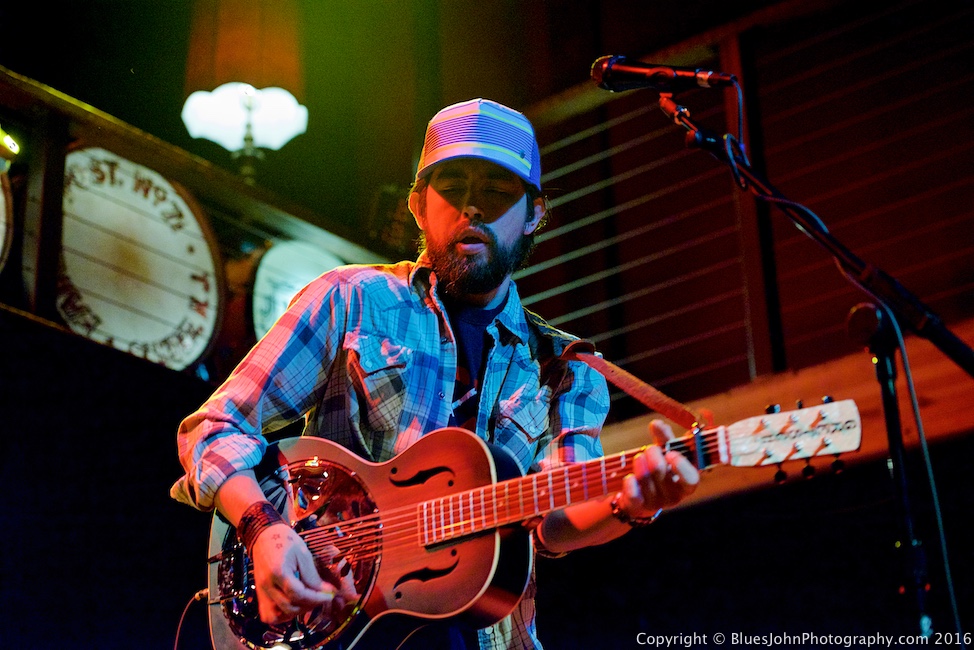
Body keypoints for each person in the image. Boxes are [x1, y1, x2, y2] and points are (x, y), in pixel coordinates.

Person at [172, 98, 699, 649]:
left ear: (535, 214)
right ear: (419, 206)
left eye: (496, 190)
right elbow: (214, 427)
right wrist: (264, 528)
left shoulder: (567, 370)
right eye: (452, 186)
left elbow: (555, 520)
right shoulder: (352, 300)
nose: (472, 207)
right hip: (339, 620)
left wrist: (631, 504)